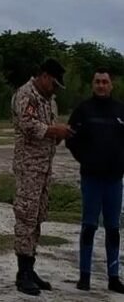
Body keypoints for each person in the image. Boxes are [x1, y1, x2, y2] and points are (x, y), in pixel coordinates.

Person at [11, 58, 73, 296]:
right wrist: (53, 131)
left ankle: (30, 267)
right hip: (29, 168)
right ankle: (22, 272)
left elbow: (50, 127)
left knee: (38, 216)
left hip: (44, 168)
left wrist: (59, 134)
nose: (55, 88)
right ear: (45, 76)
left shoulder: (50, 101)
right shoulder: (26, 94)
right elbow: (28, 125)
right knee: (26, 217)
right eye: (54, 83)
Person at [65, 68, 124, 293]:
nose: (101, 85)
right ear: (93, 84)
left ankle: (113, 278)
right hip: (91, 178)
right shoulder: (83, 110)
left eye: (105, 82)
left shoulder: (120, 110)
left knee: (113, 229)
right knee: (89, 226)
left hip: (114, 180)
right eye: (97, 81)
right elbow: (71, 140)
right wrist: (85, 159)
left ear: (111, 85)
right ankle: (85, 277)